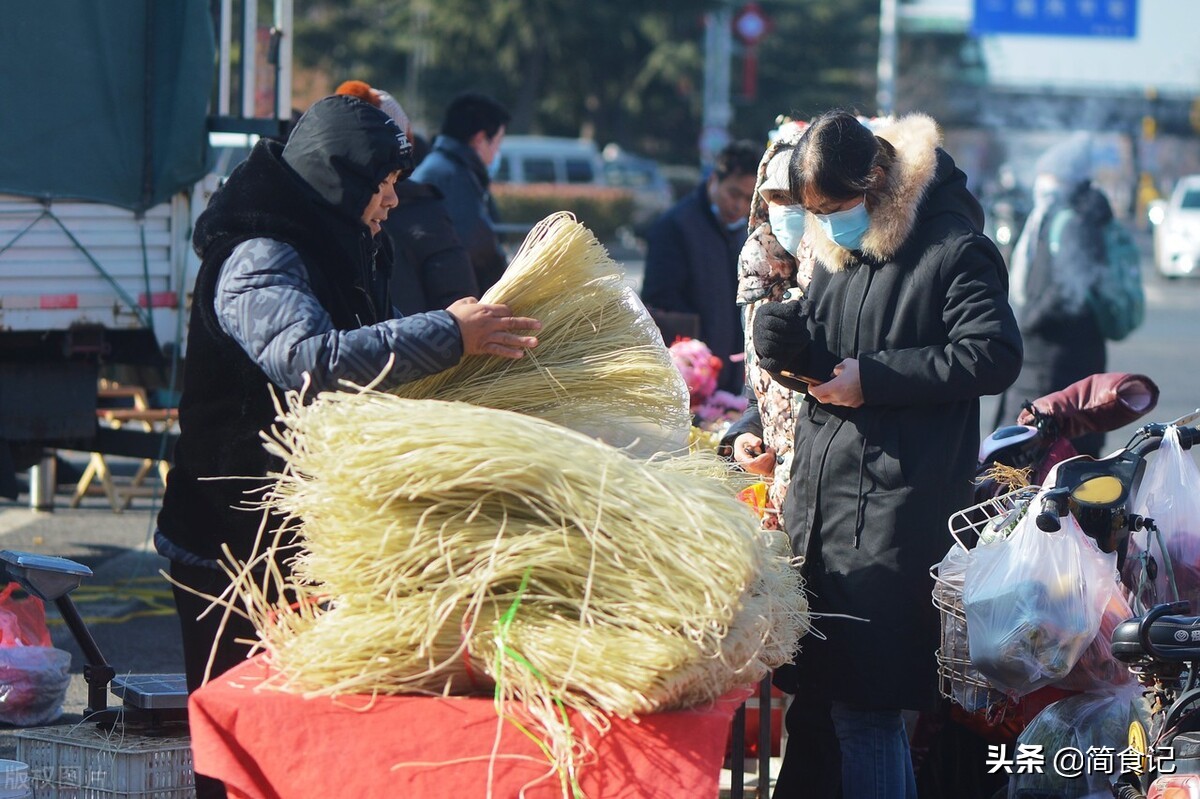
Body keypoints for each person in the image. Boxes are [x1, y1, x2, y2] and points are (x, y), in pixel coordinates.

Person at [154, 95, 539, 799]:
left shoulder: (338, 236)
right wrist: (450, 333)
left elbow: (373, 350)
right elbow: (311, 359)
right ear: (341, 181)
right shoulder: (260, 250)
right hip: (229, 546)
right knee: (238, 746)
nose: (392, 201)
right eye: (384, 186)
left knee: (301, 747)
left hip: (295, 540)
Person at [751, 109, 1022, 798]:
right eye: (813, 211)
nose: (824, 222)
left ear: (873, 180)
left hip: (898, 512)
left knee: (867, 712)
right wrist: (788, 350)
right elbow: (824, 352)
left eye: (832, 207)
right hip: (829, 506)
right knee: (833, 708)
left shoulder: (954, 245)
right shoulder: (847, 248)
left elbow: (992, 353)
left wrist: (872, 379)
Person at [994, 132, 1112, 456]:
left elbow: (1069, 288)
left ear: (1068, 180)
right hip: (1042, 364)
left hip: (1056, 366)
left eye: (1051, 175)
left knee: (1045, 466)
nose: (1042, 182)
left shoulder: (1077, 222)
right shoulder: (1053, 216)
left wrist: (1027, 320)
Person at [334, 80, 479, 313]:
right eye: (382, 179)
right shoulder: (423, 209)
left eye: (394, 179)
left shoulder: (317, 212)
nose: (391, 200)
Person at [640, 139, 760, 395]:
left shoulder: (748, 232)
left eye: (749, 198)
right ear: (713, 181)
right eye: (734, 193)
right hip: (688, 378)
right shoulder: (675, 226)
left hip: (730, 377)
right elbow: (659, 302)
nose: (739, 206)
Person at [411, 91, 511, 295]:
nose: (497, 153)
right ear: (480, 139)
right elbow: (478, 248)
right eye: (498, 142)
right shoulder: (452, 177)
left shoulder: (443, 167)